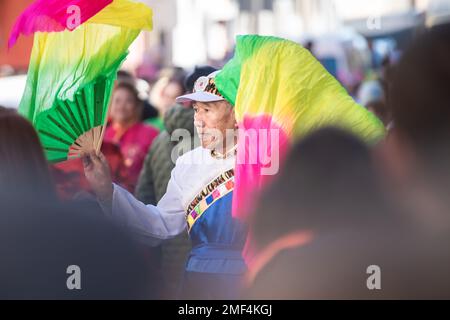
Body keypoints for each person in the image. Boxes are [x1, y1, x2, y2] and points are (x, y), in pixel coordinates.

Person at [83, 71, 247, 299]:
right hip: (198, 283)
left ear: (235, 112)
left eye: (207, 110)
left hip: (250, 281)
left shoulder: (262, 159)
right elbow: (158, 225)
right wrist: (106, 191)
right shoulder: (187, 163)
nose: (198, 121)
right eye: (196, 110)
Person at [135, 66, 217, 298]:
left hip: (169, 254)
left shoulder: (159, 139)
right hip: (214, 263)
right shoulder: (221, 144)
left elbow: (145, 198)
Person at [104, 82, 159, 193]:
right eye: (117, 101)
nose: (121, 106)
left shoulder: (150, 134)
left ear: (136, 106)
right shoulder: (102, 135)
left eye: (128, 101)